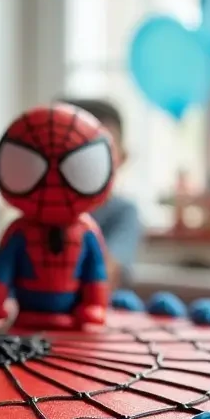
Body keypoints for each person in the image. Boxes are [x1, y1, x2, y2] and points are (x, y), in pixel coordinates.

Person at [61, 98, 142, 287]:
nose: (87, 162)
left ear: (122, 157)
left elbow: (105, 275)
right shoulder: (39, 209)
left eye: (101, 150)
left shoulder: (124, 212)